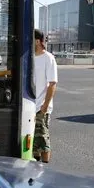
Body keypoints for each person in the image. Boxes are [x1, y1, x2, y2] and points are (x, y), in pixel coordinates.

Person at [33, 29, 58, 163]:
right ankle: (35, 169)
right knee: (33, 144)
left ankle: (45, 168)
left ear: (37, 41)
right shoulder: (29, 57)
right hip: (29, 106)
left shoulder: (48, 58)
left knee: (43, 141)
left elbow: (52, 84)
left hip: (40, 108)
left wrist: (44, 107)